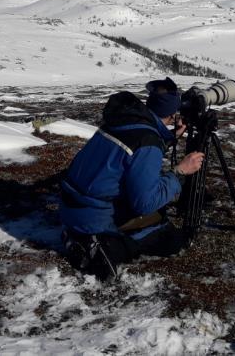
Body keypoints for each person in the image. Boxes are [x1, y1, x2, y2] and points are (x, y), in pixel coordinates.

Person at [59, 77, 204, 279]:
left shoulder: (123, 122)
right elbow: (144, 203)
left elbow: (134, 152)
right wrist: (179, 172)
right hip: (93, 219)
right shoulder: (147, 141)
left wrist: (168, 138)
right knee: (168, 236)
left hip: (70, 206)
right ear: (173, 114)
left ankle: (80, 235)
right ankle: (100, 247)